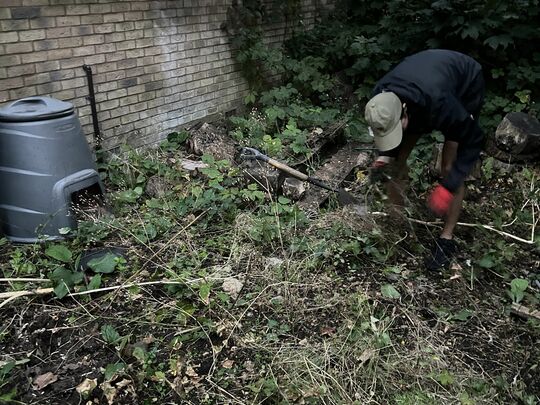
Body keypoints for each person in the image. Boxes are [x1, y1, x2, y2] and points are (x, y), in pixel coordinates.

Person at [364, 49, 485, 270]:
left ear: (404, 113)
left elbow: (475, 141)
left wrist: (448, 186)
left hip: (464, 82)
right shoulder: (379, 100)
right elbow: (388, 134)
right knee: (395, 161)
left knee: (449, 166)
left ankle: (446, 239)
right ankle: (396, 222)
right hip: (419, 93)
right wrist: (385, 157)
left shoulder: (442, 104)